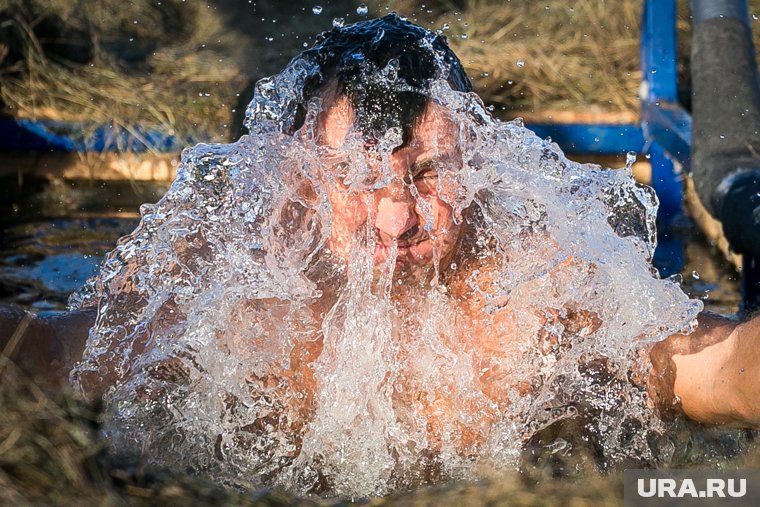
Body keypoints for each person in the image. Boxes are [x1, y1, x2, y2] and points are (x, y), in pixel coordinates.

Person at [0, 13, 758, 487]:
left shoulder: (537, 275)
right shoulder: (222, 285)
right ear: (301, 181)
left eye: (430, 174)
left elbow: (711, 366)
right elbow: (49, 360)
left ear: (478, 166)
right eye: (360, 179)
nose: (398, 218)